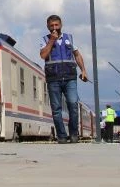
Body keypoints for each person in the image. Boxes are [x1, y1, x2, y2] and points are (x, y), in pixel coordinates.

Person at [39, 14, 89, 143]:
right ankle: (61, 136)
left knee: (73, 104)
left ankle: (73, 133)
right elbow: (43, 55)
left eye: (56, 25)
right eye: (51, 26)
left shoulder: (70, 38)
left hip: (70, 77)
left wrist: (83, 70)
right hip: (53, 79)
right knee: (56, 109)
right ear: (47, 27)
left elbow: (77, 55)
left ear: (61, 25)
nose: (54, 28)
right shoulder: (44, 40)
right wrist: (51, 41)